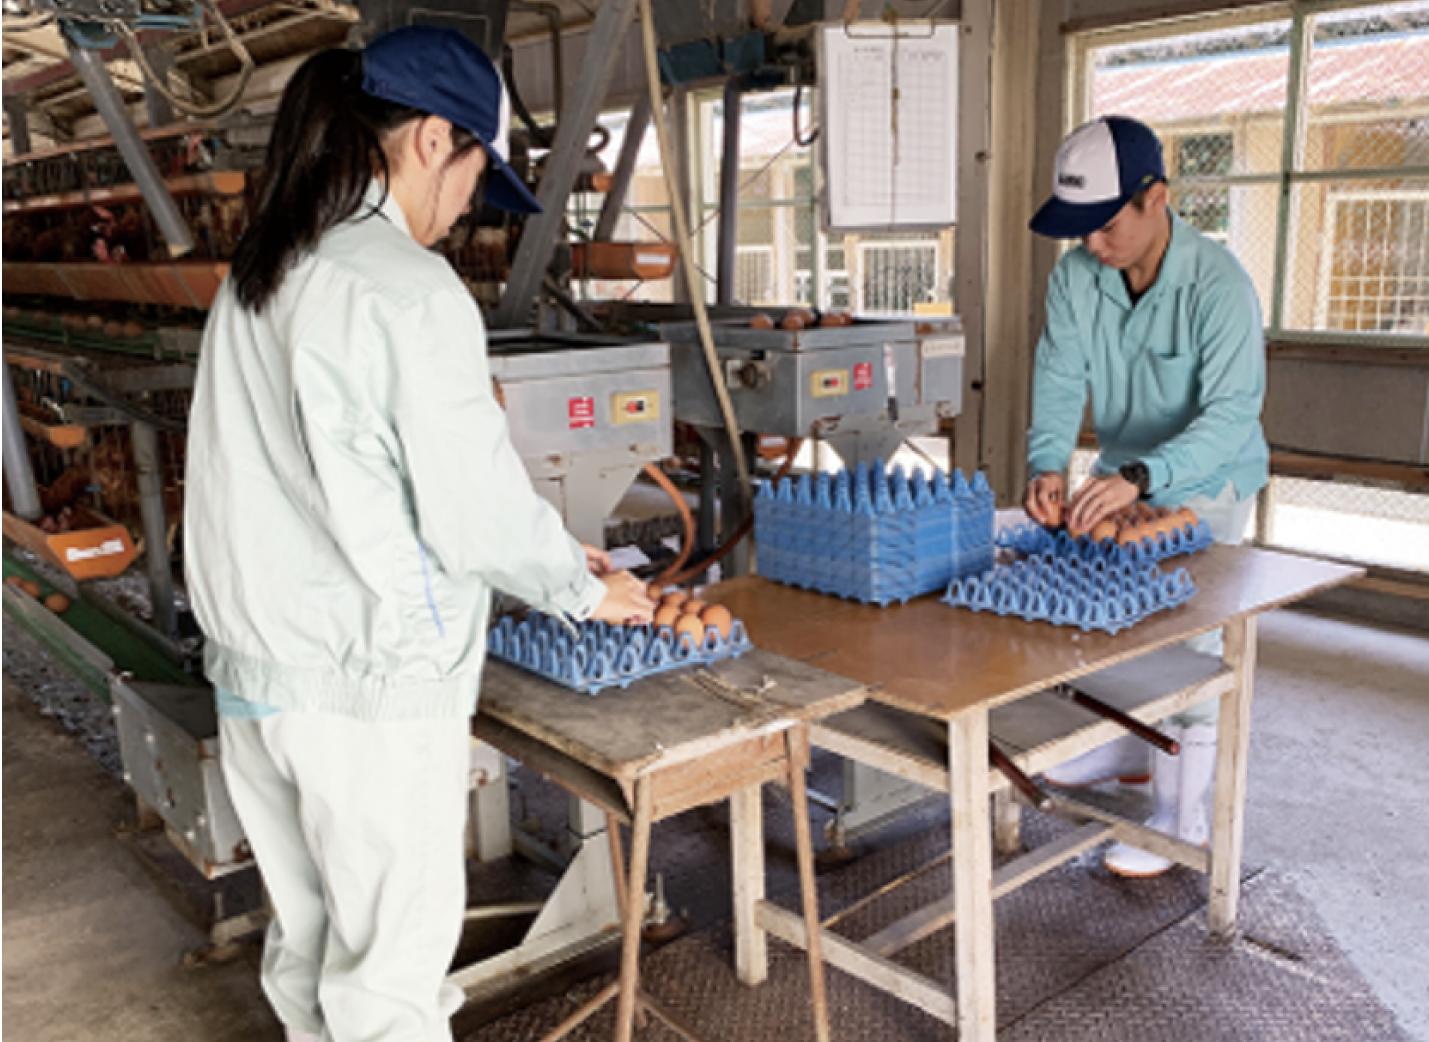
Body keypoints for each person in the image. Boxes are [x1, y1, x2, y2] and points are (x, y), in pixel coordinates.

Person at [183, 27, 655, 1042]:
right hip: (367, 688)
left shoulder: (266, 270)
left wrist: (549, 554)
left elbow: (332, 479)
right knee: (390, 985)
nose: (467, 209)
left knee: (311, 949)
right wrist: (585, 589)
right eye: (479, 176)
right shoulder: (404, 286)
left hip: (262, 675)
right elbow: (468, 506)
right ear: (435, 137)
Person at [1022, 115, 1268, 878]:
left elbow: (1231, 414)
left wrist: (1142, 477)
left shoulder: (1217, 285)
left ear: (1155, 197)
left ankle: (1181, 819)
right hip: (1127, 473)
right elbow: (1061, 379)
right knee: (1118, 621)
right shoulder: (1075, 276)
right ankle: (1133, 749)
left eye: (1104, 225)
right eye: (1079, 229)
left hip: (1207, 481)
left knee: (1187, 641)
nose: (1092, 243)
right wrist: (1047, 465)